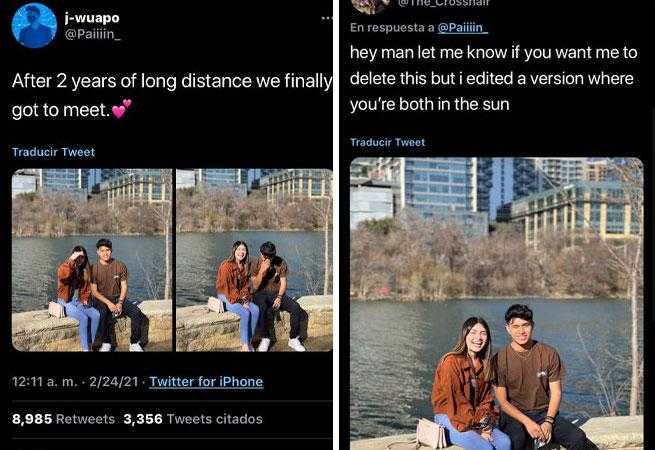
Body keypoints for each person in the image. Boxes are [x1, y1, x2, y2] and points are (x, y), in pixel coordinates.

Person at [493, 304, 597, 450]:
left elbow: (556, 392)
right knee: (517, 442)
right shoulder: (499, 359)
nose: (521, 331)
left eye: (525, 325)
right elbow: (503, 402)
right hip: (514, 416)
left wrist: (548, 422)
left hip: (543, 413)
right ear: (508, 329)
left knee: (578, 438)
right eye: (516, 326)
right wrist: (527, 423)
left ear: (532, 326)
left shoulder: (548, 353)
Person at [431, 317, 511, 450]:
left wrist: (485, 423)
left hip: (473, 416)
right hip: (449, 416)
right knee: (485, 447)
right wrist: (476, 429)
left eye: (483, 333)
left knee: (505, 443)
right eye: (473, 332)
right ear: (465, 335)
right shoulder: (451, 362)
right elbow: (456, 402)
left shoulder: (485, 365)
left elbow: (486, 400)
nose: (478, 338)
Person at [91, 238, 145, 352]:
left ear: (111, 250)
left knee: (136, 312)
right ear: (98, 252)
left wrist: (120, 302)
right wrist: (109, 303)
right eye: (102, 250)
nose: (105, 253)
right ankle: (106, 343)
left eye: (108, 250)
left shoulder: (120, 265)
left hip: (117, 297)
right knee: (103, 313)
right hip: (101, 298)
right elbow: (94, 291)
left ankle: (134, 343)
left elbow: (124, 286)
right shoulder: (93, 269)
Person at [250, 241, 306, 352]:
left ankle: (293, 338)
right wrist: (262, 271)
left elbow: (283, 282)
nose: (267, 258)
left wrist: (279, 297)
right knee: (262, 308)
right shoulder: (255, 263)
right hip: (259, 293)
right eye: (264, 255)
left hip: (276, 294)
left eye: (270, 256)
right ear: (261, 253)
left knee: (295, 307)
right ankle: (265, 338)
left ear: (274, 255)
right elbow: (255, 286)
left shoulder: (280, 263)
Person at [215, 241, 260, 352]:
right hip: (225, 295)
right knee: (245, 312)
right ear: (234, 251)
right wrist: (241, 300)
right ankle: (244, 346)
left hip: (239, 296)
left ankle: (249, 341)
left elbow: (246, 286)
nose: (241, 252)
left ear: (246, 252)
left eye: (243, 250)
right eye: (239, 249)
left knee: (255, 310)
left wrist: (245, 298)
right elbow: (228, 288)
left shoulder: (245, 266)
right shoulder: (226, 265)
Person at [56, 246, 100, 352]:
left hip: (78, 301)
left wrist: (85, 299)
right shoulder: (65, 267)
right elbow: (63, 275)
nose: (80, 259)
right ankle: (86, 350)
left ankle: (91, 345)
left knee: (96, 315)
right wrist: (71, 260)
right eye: (78, 256)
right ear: (73, 256)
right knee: (84, 318)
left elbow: (87, 288)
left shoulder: (85, 270)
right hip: (65, 301)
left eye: (82, 257)